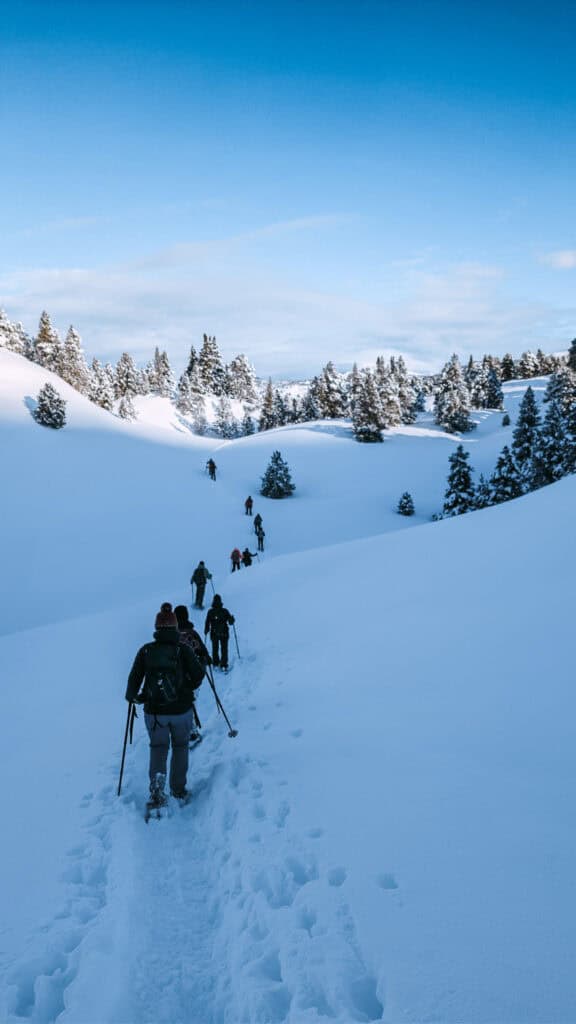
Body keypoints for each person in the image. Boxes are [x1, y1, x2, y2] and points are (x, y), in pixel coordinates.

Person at [125, 602, 205, 804]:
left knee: (158, 747)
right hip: (181, 711)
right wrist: (187, 687)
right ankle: (178, 789)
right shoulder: (183, 650)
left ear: (156, 628)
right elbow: (198, 675)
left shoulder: (146, 651)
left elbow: (133, 681)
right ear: (175, 627)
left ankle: (158, 791)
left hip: (155, 713)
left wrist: (136, 697)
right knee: (180, 747)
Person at [174, 604, 210, 744]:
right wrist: (206, 660)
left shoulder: (173, 636)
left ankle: (185, 731)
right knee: (189, 702)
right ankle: (191, 732)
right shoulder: (192, 633)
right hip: (194, 676)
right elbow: (203, 651)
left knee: (182, 702)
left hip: (177, 676)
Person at [205, 594, 235, 671]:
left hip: (214, 633)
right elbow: (230, 622)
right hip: (224, 632)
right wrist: (232, 619)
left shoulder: (211, 611)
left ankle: (215, 662)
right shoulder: (225, 611)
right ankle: (224, 664)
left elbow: (207, 622)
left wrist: (206, 629)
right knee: (224, 649)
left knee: (215, 648)